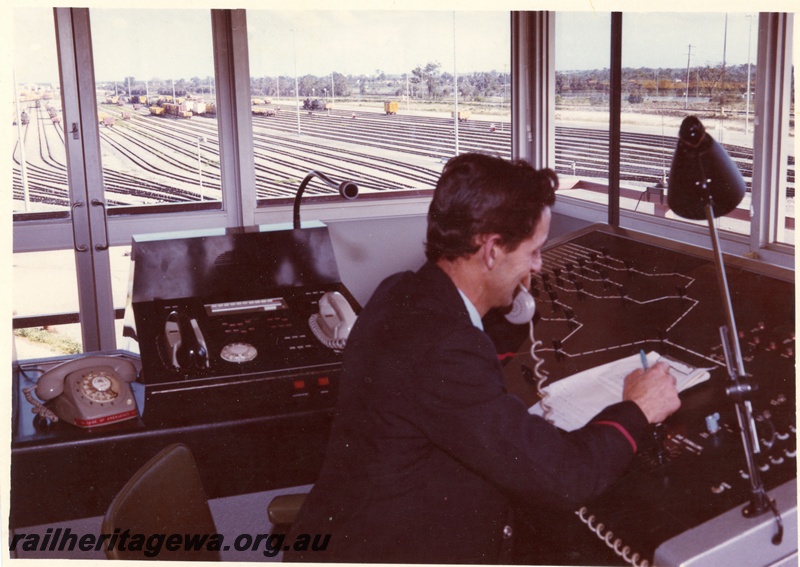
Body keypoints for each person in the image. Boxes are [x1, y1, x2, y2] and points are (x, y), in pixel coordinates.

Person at [284, 153, 681, 564]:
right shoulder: (445, 350)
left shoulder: (400, 292)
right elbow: (564, 476)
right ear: (491, 250)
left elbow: (459, 353)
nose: (538, 266)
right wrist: (637, 408)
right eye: (533, 251)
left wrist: (509, 306)